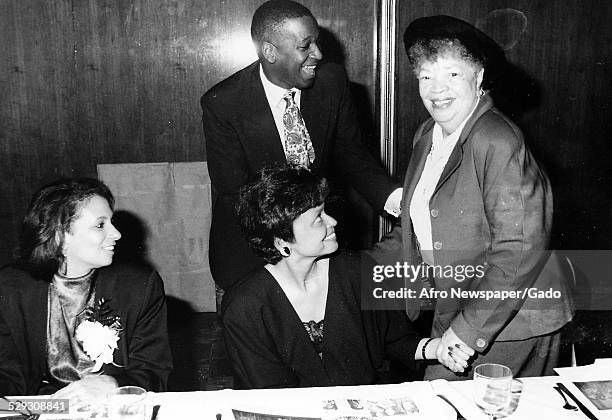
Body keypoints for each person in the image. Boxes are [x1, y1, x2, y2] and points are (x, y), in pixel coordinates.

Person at [369, 15, 573, 380]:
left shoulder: (497, 139)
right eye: (426, 76)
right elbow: (419, 227)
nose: (436, 89)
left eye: (452, 74)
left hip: (516, 318)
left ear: (478, 78)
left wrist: (465, 333)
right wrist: (344, 269)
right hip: (460, 303)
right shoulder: (428, 135)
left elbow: (519, 248)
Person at [201, 0, 402, 291]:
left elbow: (352, 155)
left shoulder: (331, 82)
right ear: (270, 51)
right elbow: (235, 192)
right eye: (305, 46)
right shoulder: (223, 103)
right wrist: (296, 238)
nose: (318, 54)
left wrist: (399, 201)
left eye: (317, 43)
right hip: (253, 245)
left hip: (323, 235)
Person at [221, 166, 473, 389]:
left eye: (325, 210)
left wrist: (436, 349)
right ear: (282, 242)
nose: (332, 221)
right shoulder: (245, 307)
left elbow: (396, 340)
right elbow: (270, 395)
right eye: (317, 218)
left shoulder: (358, 269)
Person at [0, 178, 172, 406]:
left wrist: (112, 384)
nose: (117, 234)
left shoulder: (138, 286)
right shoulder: (12, 287)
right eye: (100, 225)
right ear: (60, 236)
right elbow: (9, 373)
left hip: (111, 407)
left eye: (111, 222)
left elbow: (154, 371)